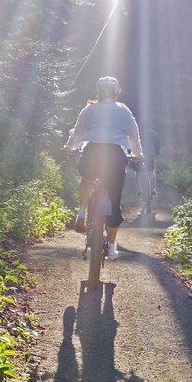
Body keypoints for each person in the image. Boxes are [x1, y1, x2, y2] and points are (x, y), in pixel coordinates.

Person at [64, 77, 143, 261]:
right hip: (115, 155)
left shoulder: (90, 109)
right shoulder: (124, 112)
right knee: (114, 201)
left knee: (87, 180)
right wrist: (137, 154)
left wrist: (70, 147)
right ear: (117, 92)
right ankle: (113, 247)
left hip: (92, 151)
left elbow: (78, 132)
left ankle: (82, 211)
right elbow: (134, 136)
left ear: (98, 91)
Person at [138, 120, 160, 197]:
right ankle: (152, 189)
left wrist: (130, 152)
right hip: (149, 153)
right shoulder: (152, 132)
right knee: (150, 171)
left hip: (139, 153)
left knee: (138, 171)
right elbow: (157, 143)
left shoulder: (138, 132)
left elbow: (132, 141)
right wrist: (157, 153)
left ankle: (140, 189)